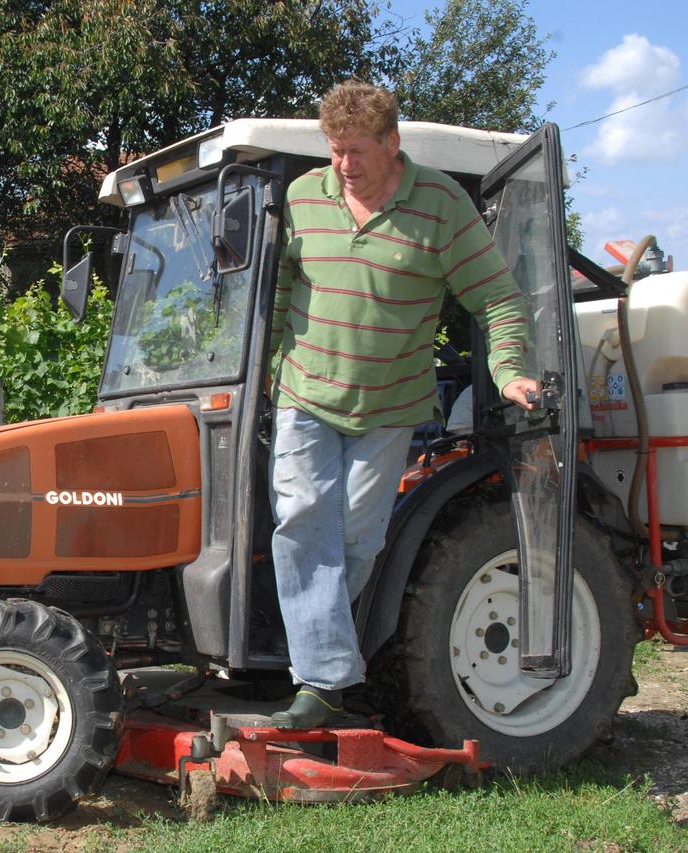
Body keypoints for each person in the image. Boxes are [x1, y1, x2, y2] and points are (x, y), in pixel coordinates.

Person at [266, 81, 540, 727]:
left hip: (389, 404)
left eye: (357, 151)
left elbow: (497, 300)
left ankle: (315, 654)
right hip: (304, 391)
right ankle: (322, 680)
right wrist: (263, 371)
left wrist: (508, 372)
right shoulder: (305, 197)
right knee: (303, 518)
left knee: (359, 537)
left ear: (393, 144)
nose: (344, 166)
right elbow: (276, 293)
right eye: (335, 151)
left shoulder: (441, 206)